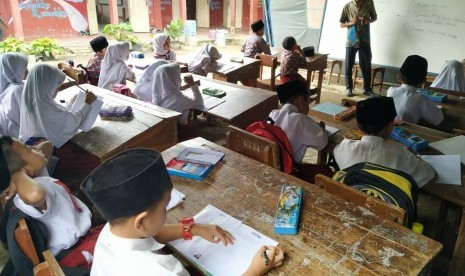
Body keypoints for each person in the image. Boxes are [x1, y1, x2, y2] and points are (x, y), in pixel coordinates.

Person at [81, 148, 285, 276]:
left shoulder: (112, 230)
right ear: (141, 221)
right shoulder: (162, 271)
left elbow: (151, 233)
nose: (166, 212)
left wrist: (193, 229)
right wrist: (257, 269)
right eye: (164, 207)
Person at [0, 136, 92, 275]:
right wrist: (18, 174)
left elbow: (48, 146)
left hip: (83, 235)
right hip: (74, 252)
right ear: (24, 169)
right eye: (29, 149)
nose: (35, 149)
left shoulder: (36, 174)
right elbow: (34, 195)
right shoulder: (26, 198)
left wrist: (26, 160)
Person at [333, 96, 435, 188]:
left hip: (351, 200)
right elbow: (429, 174)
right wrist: (414, 156)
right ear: (391, 125)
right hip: (386, 206)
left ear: (357, 125)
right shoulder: (402, 156)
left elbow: (336, 151)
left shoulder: (345, 147)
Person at [269, 80, 328, 163]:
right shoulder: (301, 120)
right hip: (288, 170)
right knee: (327, 171)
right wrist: (321, 128)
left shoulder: (273, 114)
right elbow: (322, 143)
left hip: (272, 163)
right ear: (300, 99)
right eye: (307, 100)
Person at [387, 55, 444, 126]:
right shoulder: (422, 99)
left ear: (399, 77)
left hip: (389, 132)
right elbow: (438, 120)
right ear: (424, 81)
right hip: (409, 133)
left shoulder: (390, 90)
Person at [340, 0, 377, 97]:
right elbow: (341, 24)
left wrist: (367, 21)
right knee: (348, 65)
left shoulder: (369, 3)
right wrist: (351, 22)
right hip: (351, 40)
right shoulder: (347, 6)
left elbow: (375, 17)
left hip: (365, 40)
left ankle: (367, 89)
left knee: (366, 66)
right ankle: (349, 88)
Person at [0, 53, 28, 138]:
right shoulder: (18, 90)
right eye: (24, 67)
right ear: (14, 69)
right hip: (20, 140)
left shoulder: (6, 88)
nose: (27, 70)